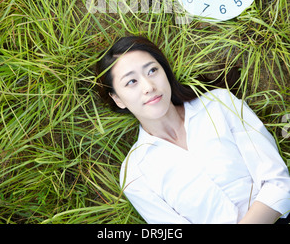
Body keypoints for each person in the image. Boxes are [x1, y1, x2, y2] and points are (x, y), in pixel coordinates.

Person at [96, 35, 290, 224]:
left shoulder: (219, 104)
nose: (148, 86)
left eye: (152, 71)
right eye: (131, 82)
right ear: (118, 99)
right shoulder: (135, 173)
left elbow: (279, 183)